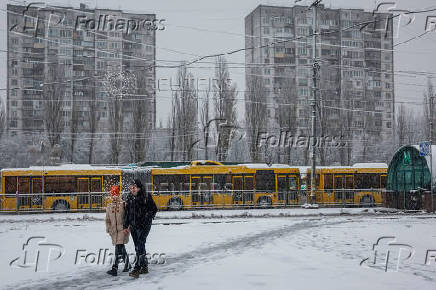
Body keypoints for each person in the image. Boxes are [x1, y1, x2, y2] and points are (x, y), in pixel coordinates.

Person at [123, 179, 158, 278]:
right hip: (134, 226)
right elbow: (127, 213)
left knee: (140, 245)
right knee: (138, 247)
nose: (132, 190)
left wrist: (146, 217)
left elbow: (154, 209)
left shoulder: (146, 196)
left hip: (144, 226)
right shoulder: (129, 197)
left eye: (133, 188)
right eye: (130, 188)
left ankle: (137, 269)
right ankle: (144, 266)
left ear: (138, 188)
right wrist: (126, 226)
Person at [105, 185, 131, 276]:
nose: (114, 196)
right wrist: (109, 228)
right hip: (114, 232)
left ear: (119, 195)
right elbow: (107, 220)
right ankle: (128, 264)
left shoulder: (123, 204)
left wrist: (127, 228)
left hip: (122, 230)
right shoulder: (109, 206)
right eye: (113, 194)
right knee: (121, 248)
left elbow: (128, 217)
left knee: (118, 248)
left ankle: (114, 268)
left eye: (116, 194)